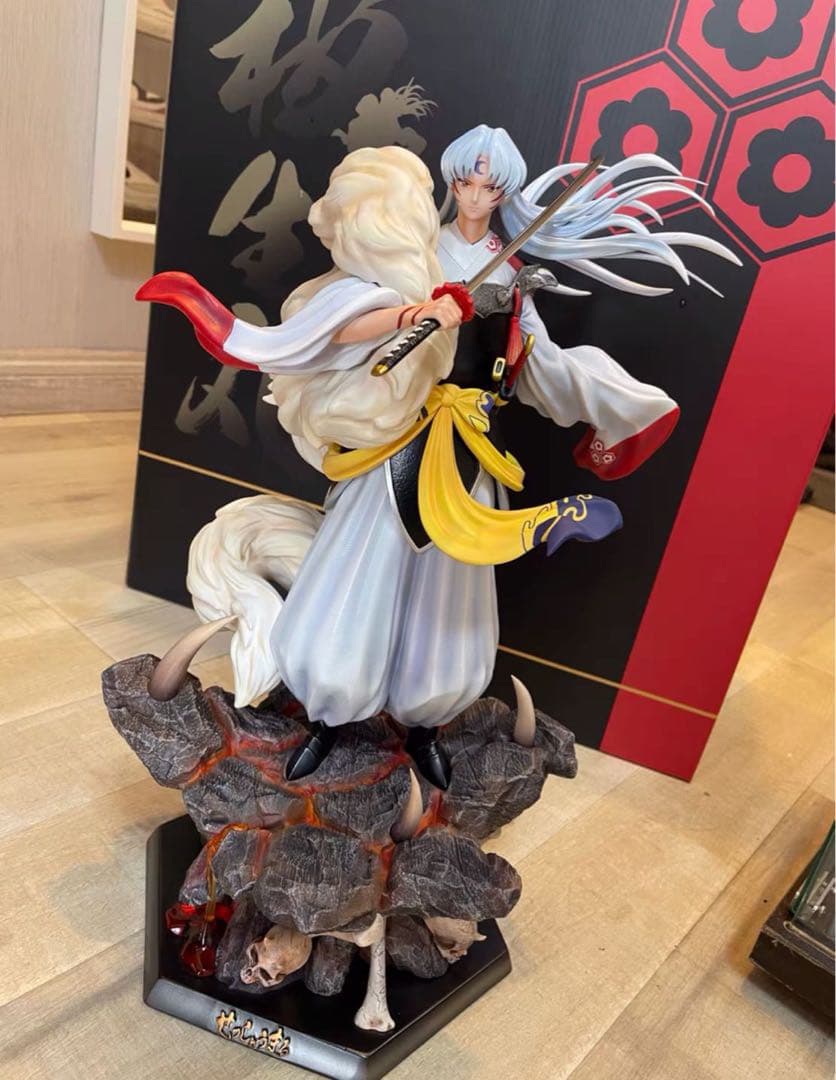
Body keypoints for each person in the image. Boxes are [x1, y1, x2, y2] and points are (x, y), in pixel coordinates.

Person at [138, 134, 737, 789]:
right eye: (467, 183)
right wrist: (414, 311)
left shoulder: (511, 271)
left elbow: (534, 363)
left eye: (491, 186)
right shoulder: (416, 247)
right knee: (358, 576)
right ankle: (327, 716)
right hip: (398, 439)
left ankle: (425, 723)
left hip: (469, 446)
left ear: (504, 192)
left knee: (449, 595)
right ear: (452, 183)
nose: (476, 196)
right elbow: (344, 322)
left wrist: (612, 402)